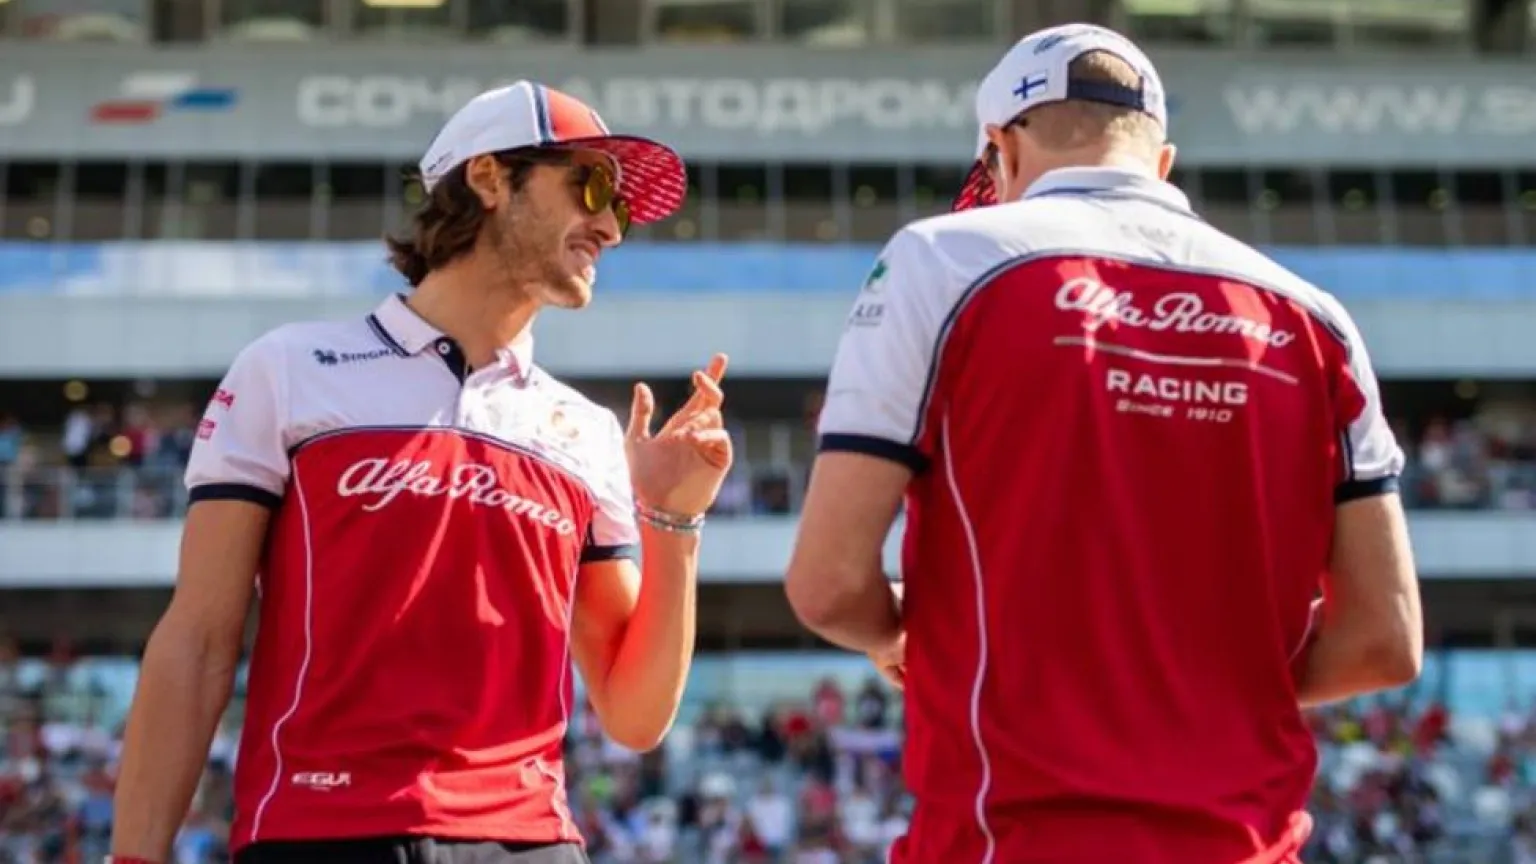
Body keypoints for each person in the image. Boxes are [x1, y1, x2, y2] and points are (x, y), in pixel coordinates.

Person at [784, 23, 1423, 864]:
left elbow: (828, 586)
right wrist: (1193, 672)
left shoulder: (941, 259)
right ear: (1162, 161)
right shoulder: (1317, 319)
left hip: (1015, 839)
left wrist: (913, 635)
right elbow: (1383, 639)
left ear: (1002, 149)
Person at [108, 80, 732, 864]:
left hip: (528, 844)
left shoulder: (587, 430)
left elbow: (636, 717)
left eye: (621, 209)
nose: (610, 227)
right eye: (591, 188)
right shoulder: (288, 369)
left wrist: (674, 519)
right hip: (319, 833)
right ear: (489, 178)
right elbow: (198, 640)